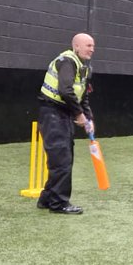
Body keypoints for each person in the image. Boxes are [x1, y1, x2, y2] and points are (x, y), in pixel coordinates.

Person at [36, 33, 96, 215]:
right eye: (88, 45)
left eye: (93, 46)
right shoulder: (68, 61)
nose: (92, 49)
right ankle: (59, 203)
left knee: (62, 158)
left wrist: (88, 119)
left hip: (63, 115)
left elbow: (83, 95)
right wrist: (79, 115)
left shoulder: (83, 68)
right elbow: (65, 90)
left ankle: (47, 199)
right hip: (53, 114)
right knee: (62, 160)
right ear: (76, 46)